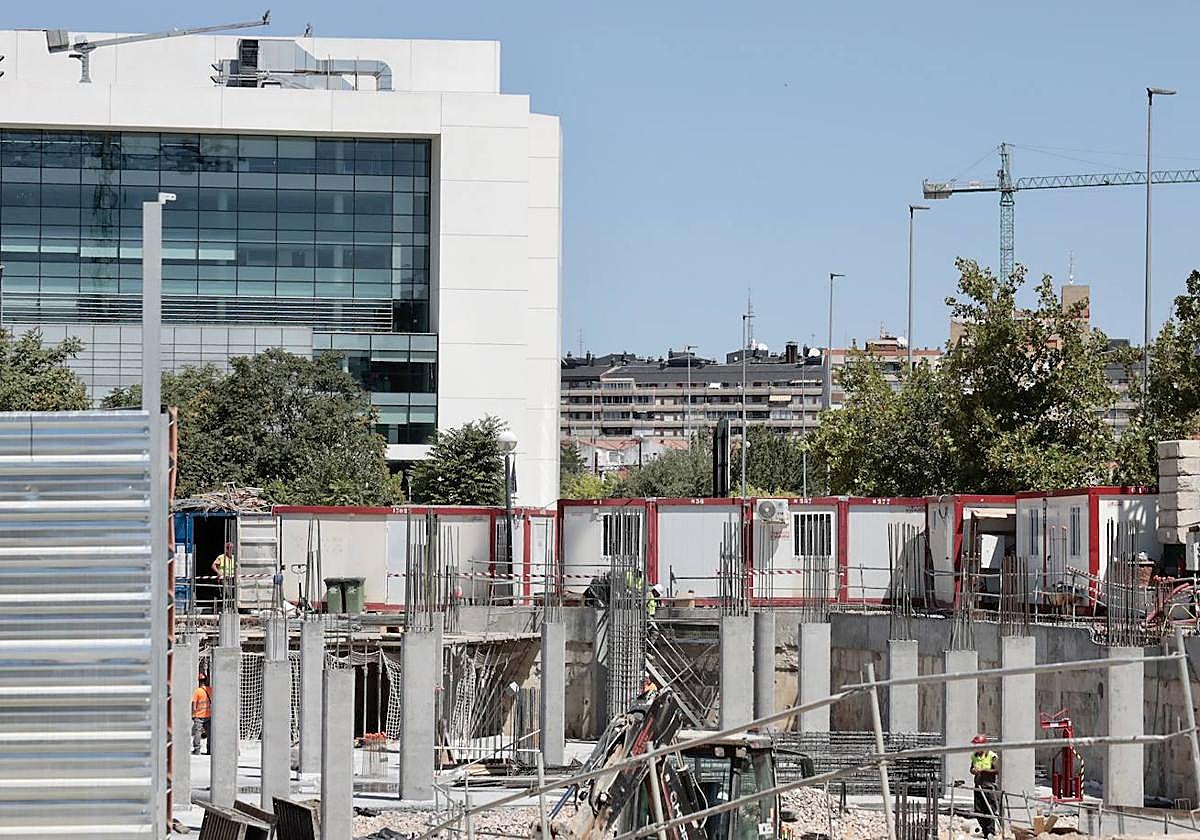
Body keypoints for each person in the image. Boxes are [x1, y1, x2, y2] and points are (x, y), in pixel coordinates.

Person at [970, 733, 1000, 838]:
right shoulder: (974, 756)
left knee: (989, 809)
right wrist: (973, 771)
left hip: (989, 787)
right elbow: (971, 769)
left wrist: (984, 770)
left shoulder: (992, 756)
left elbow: (997, 770)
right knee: (978, 810)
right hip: (978, 786)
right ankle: (985, 830)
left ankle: (991, 831)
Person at [191, 672, 212, 755]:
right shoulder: (210, 690)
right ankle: (210, 750)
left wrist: (193, 714)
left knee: (197, 733)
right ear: (206, 680)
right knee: (210, 733)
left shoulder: (197, 691)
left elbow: (194, 703)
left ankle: (197, 750)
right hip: (209, 715)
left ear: (199, 681)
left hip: (199, 716)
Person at [213, 542, 235, 612]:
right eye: (229, 548)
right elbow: (213, 565)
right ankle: (225, 608)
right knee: (226, 593)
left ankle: (230, 608)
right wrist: (219, 573)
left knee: (232, 594)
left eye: (232, 548)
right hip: (224, 578)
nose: (231, 550)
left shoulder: (234, 558)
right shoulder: (221, 557)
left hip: (232, 578)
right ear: (226, 549)